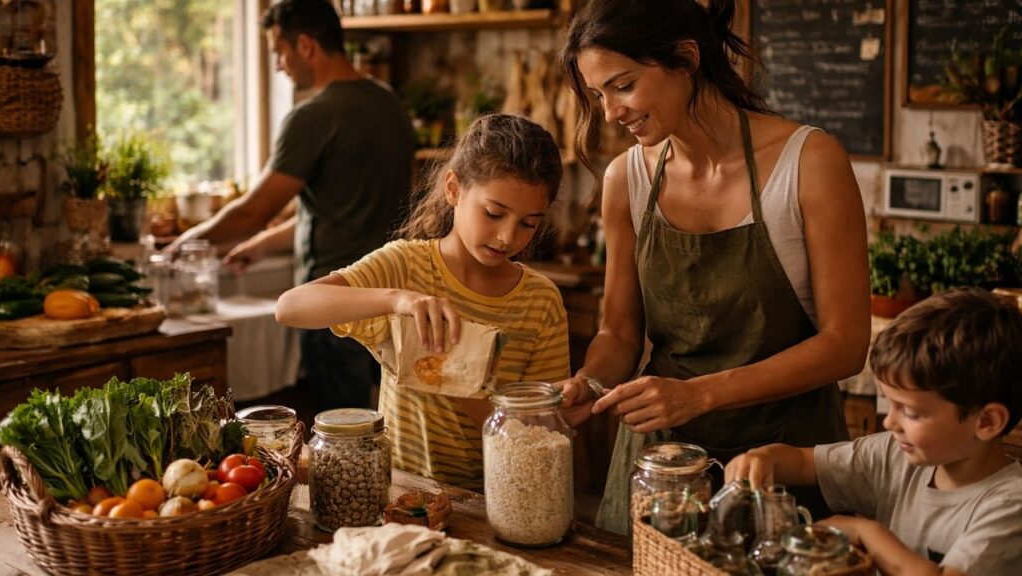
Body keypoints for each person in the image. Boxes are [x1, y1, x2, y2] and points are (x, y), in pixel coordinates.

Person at [557, 0, 871, 534]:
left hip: (785, 461)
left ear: (686, 59)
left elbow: (845, 343)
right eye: (597, 95)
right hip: (661, 469)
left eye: (623, 85)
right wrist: (588, 382)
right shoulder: (625, 179)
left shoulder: (808, 162)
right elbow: (620, 330)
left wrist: (698, 394)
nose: (610, 112)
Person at [274, 113, 570, 490]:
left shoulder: (540, 300)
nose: (507, 237)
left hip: (497, 496)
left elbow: (535, 437)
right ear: (453, 189)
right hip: (399, 490)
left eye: (529, 223)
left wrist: (450, 368)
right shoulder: (406, 267)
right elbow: (290, 306)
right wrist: (396, 299)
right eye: (493, 213)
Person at [167, 0, 415, 410]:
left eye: (279, 53)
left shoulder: (314, 115)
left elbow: (252, 211)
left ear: (305, 45)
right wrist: (260, 246)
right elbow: (343, 210)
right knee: (383, 423)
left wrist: (188, 241)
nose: (280, 66)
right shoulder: (389, 105)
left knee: (340, 433)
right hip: (387, 293)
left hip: (333, 303)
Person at [726, 288, 1022, 575]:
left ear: (986, 422)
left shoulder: (1011, 506)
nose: (889, 423)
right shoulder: (894, 454)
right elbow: (804, 463)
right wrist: (765, 459)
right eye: (888, 404)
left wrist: (866, 532)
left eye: (910, 412)